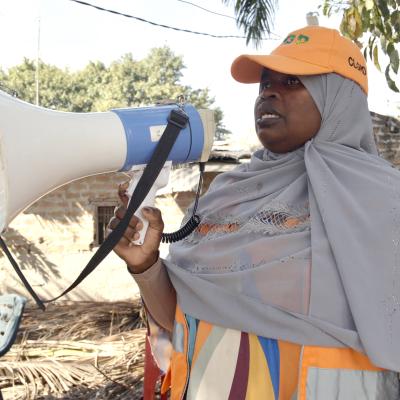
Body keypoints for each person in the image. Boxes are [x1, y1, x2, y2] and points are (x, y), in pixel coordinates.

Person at [108, 26, 400, 399]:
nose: (269, 93)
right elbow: (182, 321)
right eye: (265, 83)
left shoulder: (385, 204)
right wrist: (147, 266)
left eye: (292, 80)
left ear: (338, 98)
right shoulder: (222, 198)